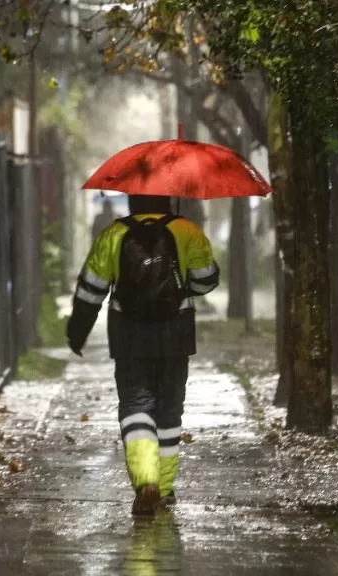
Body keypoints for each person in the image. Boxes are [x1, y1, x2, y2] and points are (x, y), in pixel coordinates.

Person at [66, 194, 220, 516]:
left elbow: (91, 289)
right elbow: (207, 280)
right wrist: (180, 285)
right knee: (169, 411)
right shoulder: (186, 230)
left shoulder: (113, 234)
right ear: (167, 197)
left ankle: (145, 479)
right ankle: (162, 489)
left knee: (136, 404)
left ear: (132, 198)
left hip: (129, 334)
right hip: (176, 333)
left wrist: (77, 332)